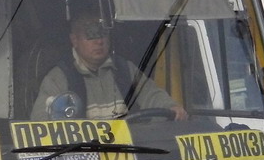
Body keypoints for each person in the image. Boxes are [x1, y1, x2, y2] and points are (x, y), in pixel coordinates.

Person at [31, 11, 187, 120]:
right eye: (91, 35)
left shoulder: (126, 69)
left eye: (103, 34)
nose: (99, 41)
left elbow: (151, 95)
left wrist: (171, 107)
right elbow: (40, 123)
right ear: (74, 40)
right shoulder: (58, 78)